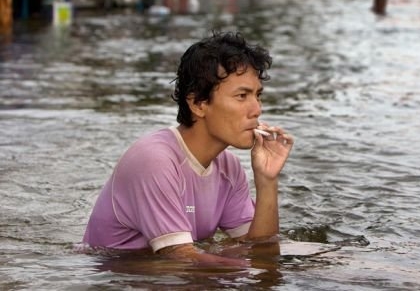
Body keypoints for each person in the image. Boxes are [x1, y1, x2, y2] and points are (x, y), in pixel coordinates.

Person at [82, 31, 294, 266]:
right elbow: (180, 260)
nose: (257, 109)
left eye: (258, 95)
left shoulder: (229, 168)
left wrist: (267, 181)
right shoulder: (153, 160)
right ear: (198, 104)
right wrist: (266, 270)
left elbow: (258, 249)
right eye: (242, 95)